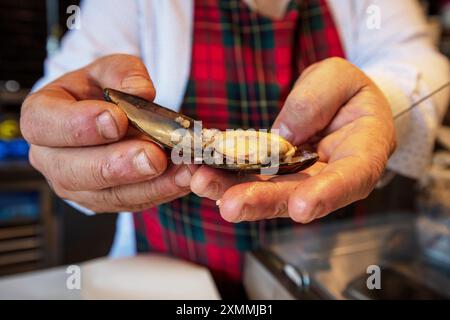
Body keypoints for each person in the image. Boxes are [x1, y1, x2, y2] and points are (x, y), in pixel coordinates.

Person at [20, 0, 449, 296]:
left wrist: (384, 100)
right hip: (172, 279)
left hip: (333, 272)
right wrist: (74, 140)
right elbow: (66, 85)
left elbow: (414, 54)